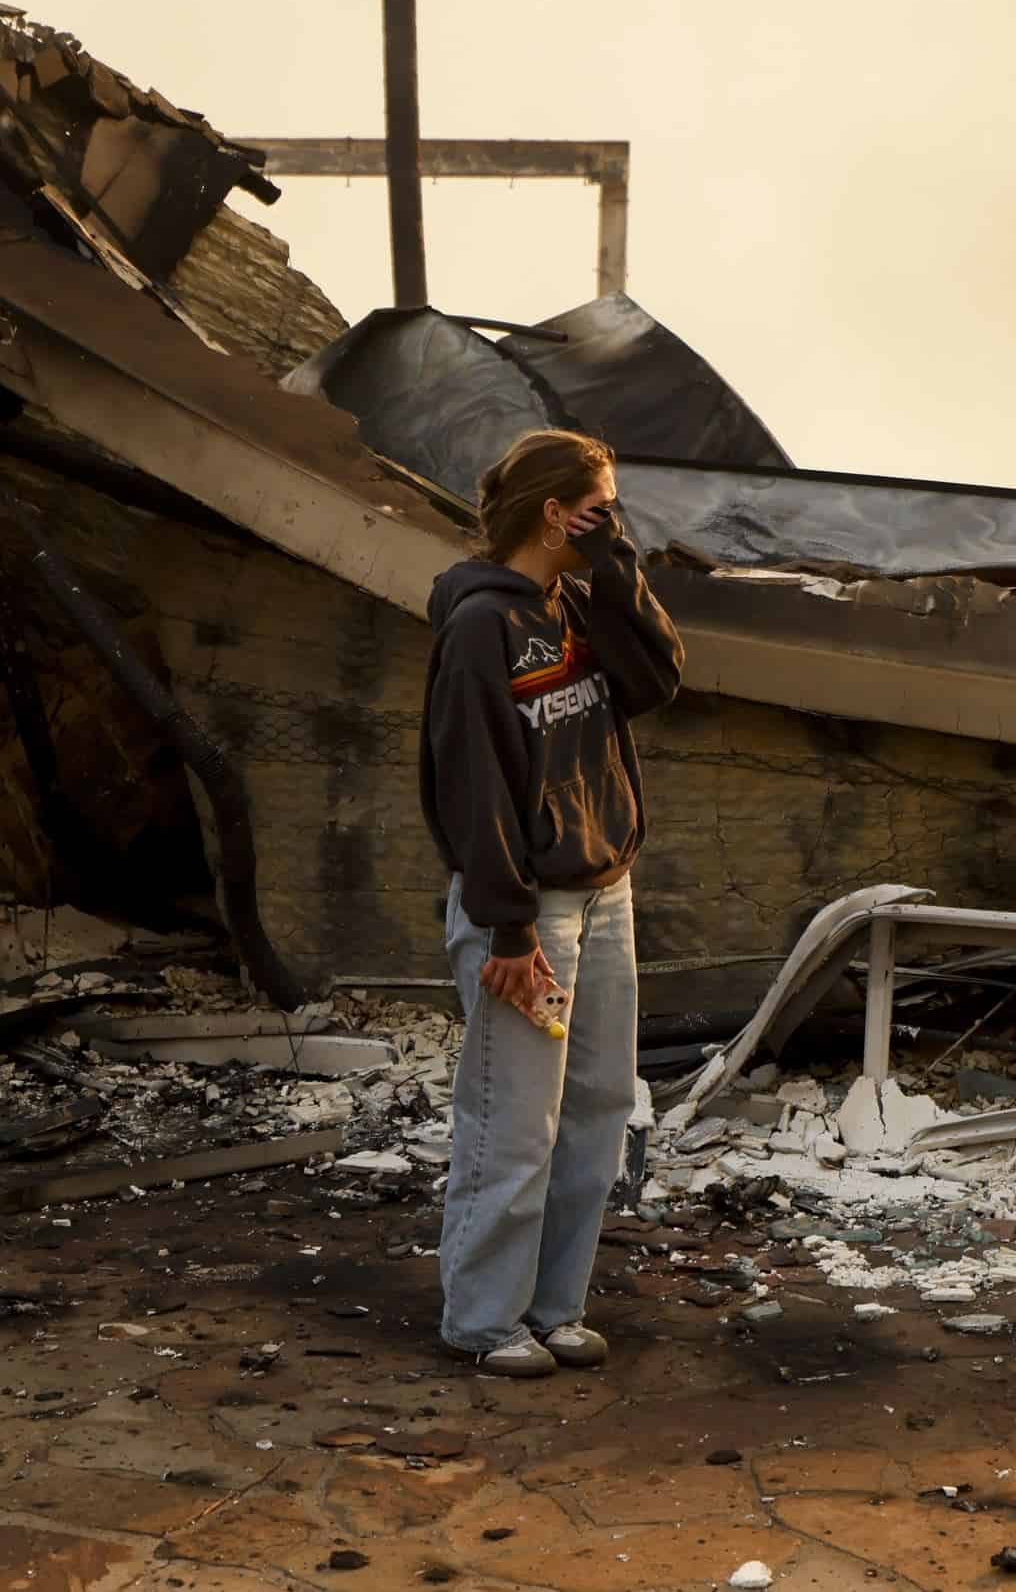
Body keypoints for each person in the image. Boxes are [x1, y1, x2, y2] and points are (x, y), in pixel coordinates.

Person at [420, 428, 684, 1377]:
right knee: (514, 1119)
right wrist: (508, 926)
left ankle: (554, 1307)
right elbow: (473, 785)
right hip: (528, 908)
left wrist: (614, 566)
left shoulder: (577, 597)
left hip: (603, 892)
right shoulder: (479, 627)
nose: (614, 522)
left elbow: (658, 679)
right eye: (602, 507)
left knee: (599, 1108)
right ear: (551, 511)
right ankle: (487, 1321)